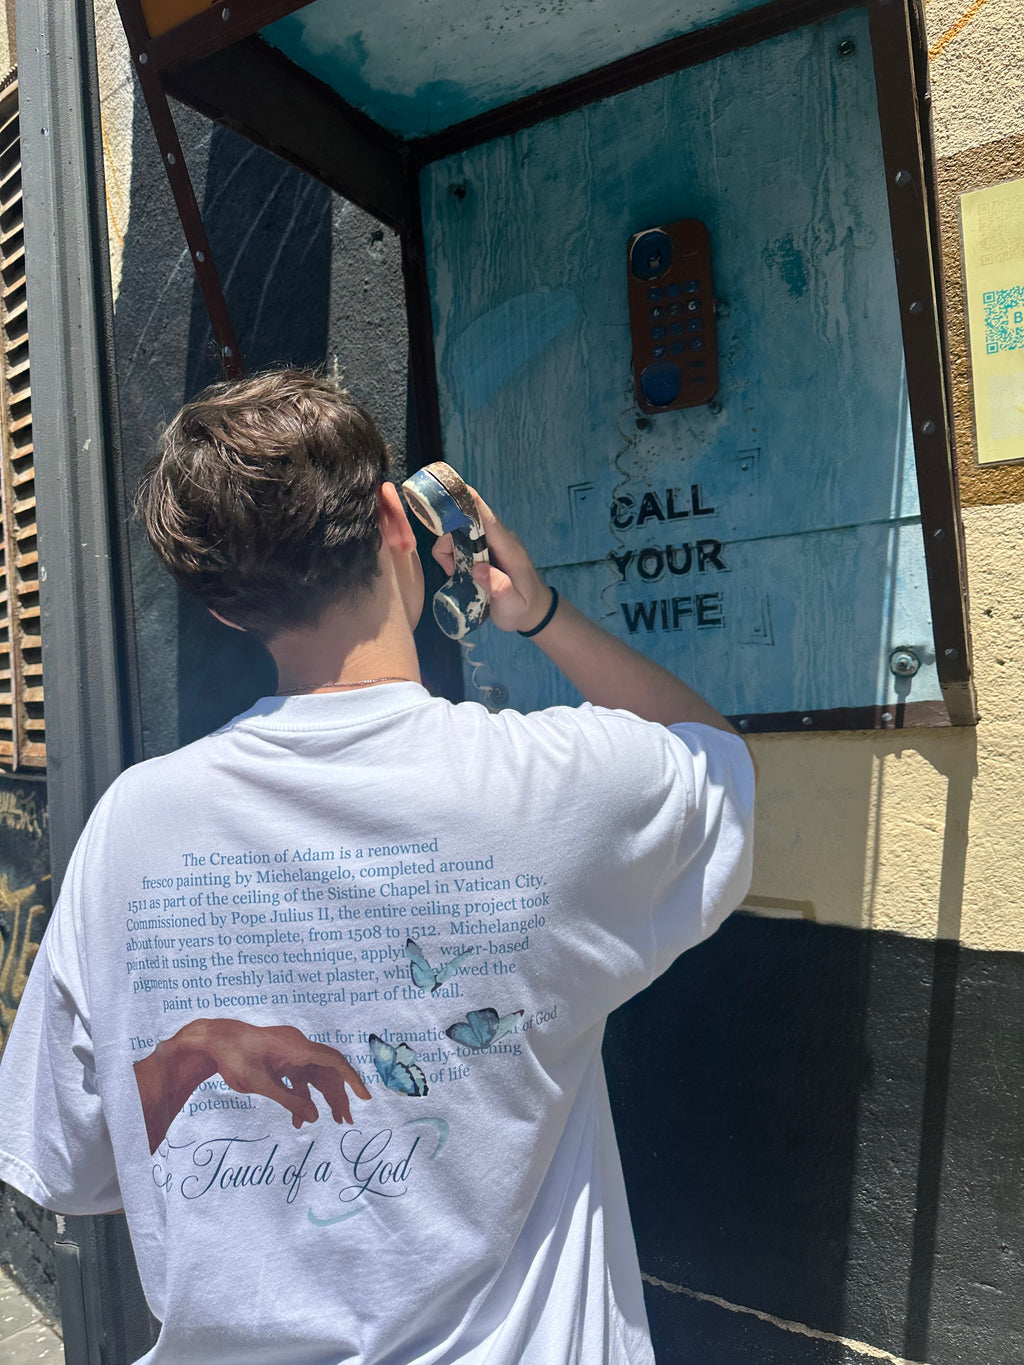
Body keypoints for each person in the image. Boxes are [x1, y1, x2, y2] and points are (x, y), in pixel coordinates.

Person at [0, 369, 754, 1364]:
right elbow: (717, 760)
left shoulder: (131, 826)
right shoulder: (556, 783)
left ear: (225, 609)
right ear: (397, 520)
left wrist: (189, 1051)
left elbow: (72, 1163)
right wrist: (538, 612)